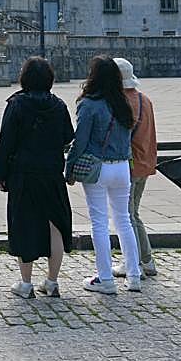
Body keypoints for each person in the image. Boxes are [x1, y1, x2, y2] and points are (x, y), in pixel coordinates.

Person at [0, 56, 75, 299]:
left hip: (23, 173)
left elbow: (5, 143)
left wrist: (1, 174)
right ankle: (52, 281)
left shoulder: (16, 105)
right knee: (55, 226)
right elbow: (67, 136)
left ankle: (26, 283)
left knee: (24, 225)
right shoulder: (58, 105)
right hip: (51, 173)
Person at [65, 55, 142, 294]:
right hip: (122, 167)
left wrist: (70, 168)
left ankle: (106, 278)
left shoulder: (89, 104)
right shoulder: (124, 103)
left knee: (99, 222)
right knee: (124, 220)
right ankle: (134, 275)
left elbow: (81, 141)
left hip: (98, 167)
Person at [111, 57, 157, 279]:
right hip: (144, 163)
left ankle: (134, 262)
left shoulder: (121, 103)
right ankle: (147, 260)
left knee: (127, 216)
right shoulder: (144, 99)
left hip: (128, 165)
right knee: (133, 213)